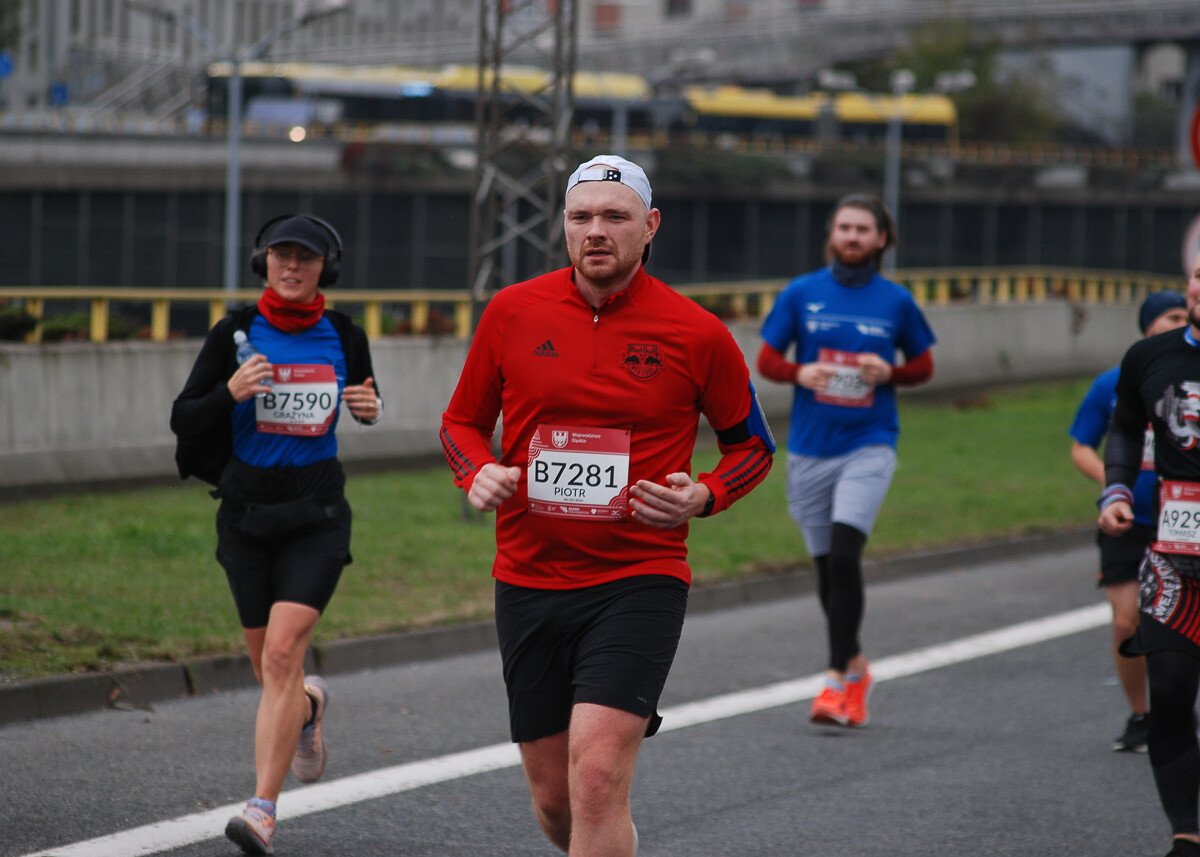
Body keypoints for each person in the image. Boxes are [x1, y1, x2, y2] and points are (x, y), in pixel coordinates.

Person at [440, 155, 775, 857]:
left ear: (649, 226)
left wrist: (704, 493)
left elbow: (753, 448)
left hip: (639, 578)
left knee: (595, 778)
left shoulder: (696, 332)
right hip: (528, 577)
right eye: (581, 216)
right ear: (563, 225)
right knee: (555, 799)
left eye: (615, 217)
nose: (597, 230)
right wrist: (477, 471)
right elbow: (460, 423)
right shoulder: (512, 311)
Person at [170, 214, 383, 856]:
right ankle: (310, 711)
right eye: (282, 256)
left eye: (307, 258)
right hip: (245, 517)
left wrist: (370, 409)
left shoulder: (344, 334)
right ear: (263, 262)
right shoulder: (233, 333)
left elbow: (365, 397)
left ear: (328, 268)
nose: (293, 267)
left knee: (285, 656)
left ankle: (262, 810)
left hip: (316, 516)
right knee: (273, 672)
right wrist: (230, 394)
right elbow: (183, 418)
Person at [755, 193, 935, 728]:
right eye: (845, 227)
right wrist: (798, 373)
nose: (853, 237)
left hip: (869, 442)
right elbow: (766, 358)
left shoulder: (897, 302)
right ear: (832, 235)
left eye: (863, 229)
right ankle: (856, 665)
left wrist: (892, 374)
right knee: (825, 569)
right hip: (810, 447)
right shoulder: (801, 292)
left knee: (843, 554)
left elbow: (923, 364)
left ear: (882, 239)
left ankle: (835, 680)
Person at [1099, 254, 1200, 857]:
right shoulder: (1149, 357)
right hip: (1174, 553)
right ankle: (1187, 834)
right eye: (1199, 277)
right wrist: (1114, 489)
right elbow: (1123, 425)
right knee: (1169, 691)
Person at [1070, 290, 1188, 753]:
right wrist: (1114, 485)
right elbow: (1082, 445)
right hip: (1125, 521)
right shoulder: (1112, 383)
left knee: (1177, 626)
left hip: (1181, 521)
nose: (1177, 322)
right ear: (1147, 327)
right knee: (1127, 623)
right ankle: (1142, 715)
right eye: (1168, 317)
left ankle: (1175, 709)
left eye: (1183, 314)